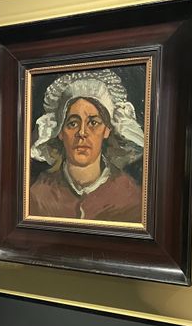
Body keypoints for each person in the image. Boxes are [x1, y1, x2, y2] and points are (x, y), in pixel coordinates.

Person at [29, 68, 145, 223]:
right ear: (60, 132)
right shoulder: (38, 194)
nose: (82, 133)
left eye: (93, 123)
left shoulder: (130, 196)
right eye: (73, 123)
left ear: (107, 130)